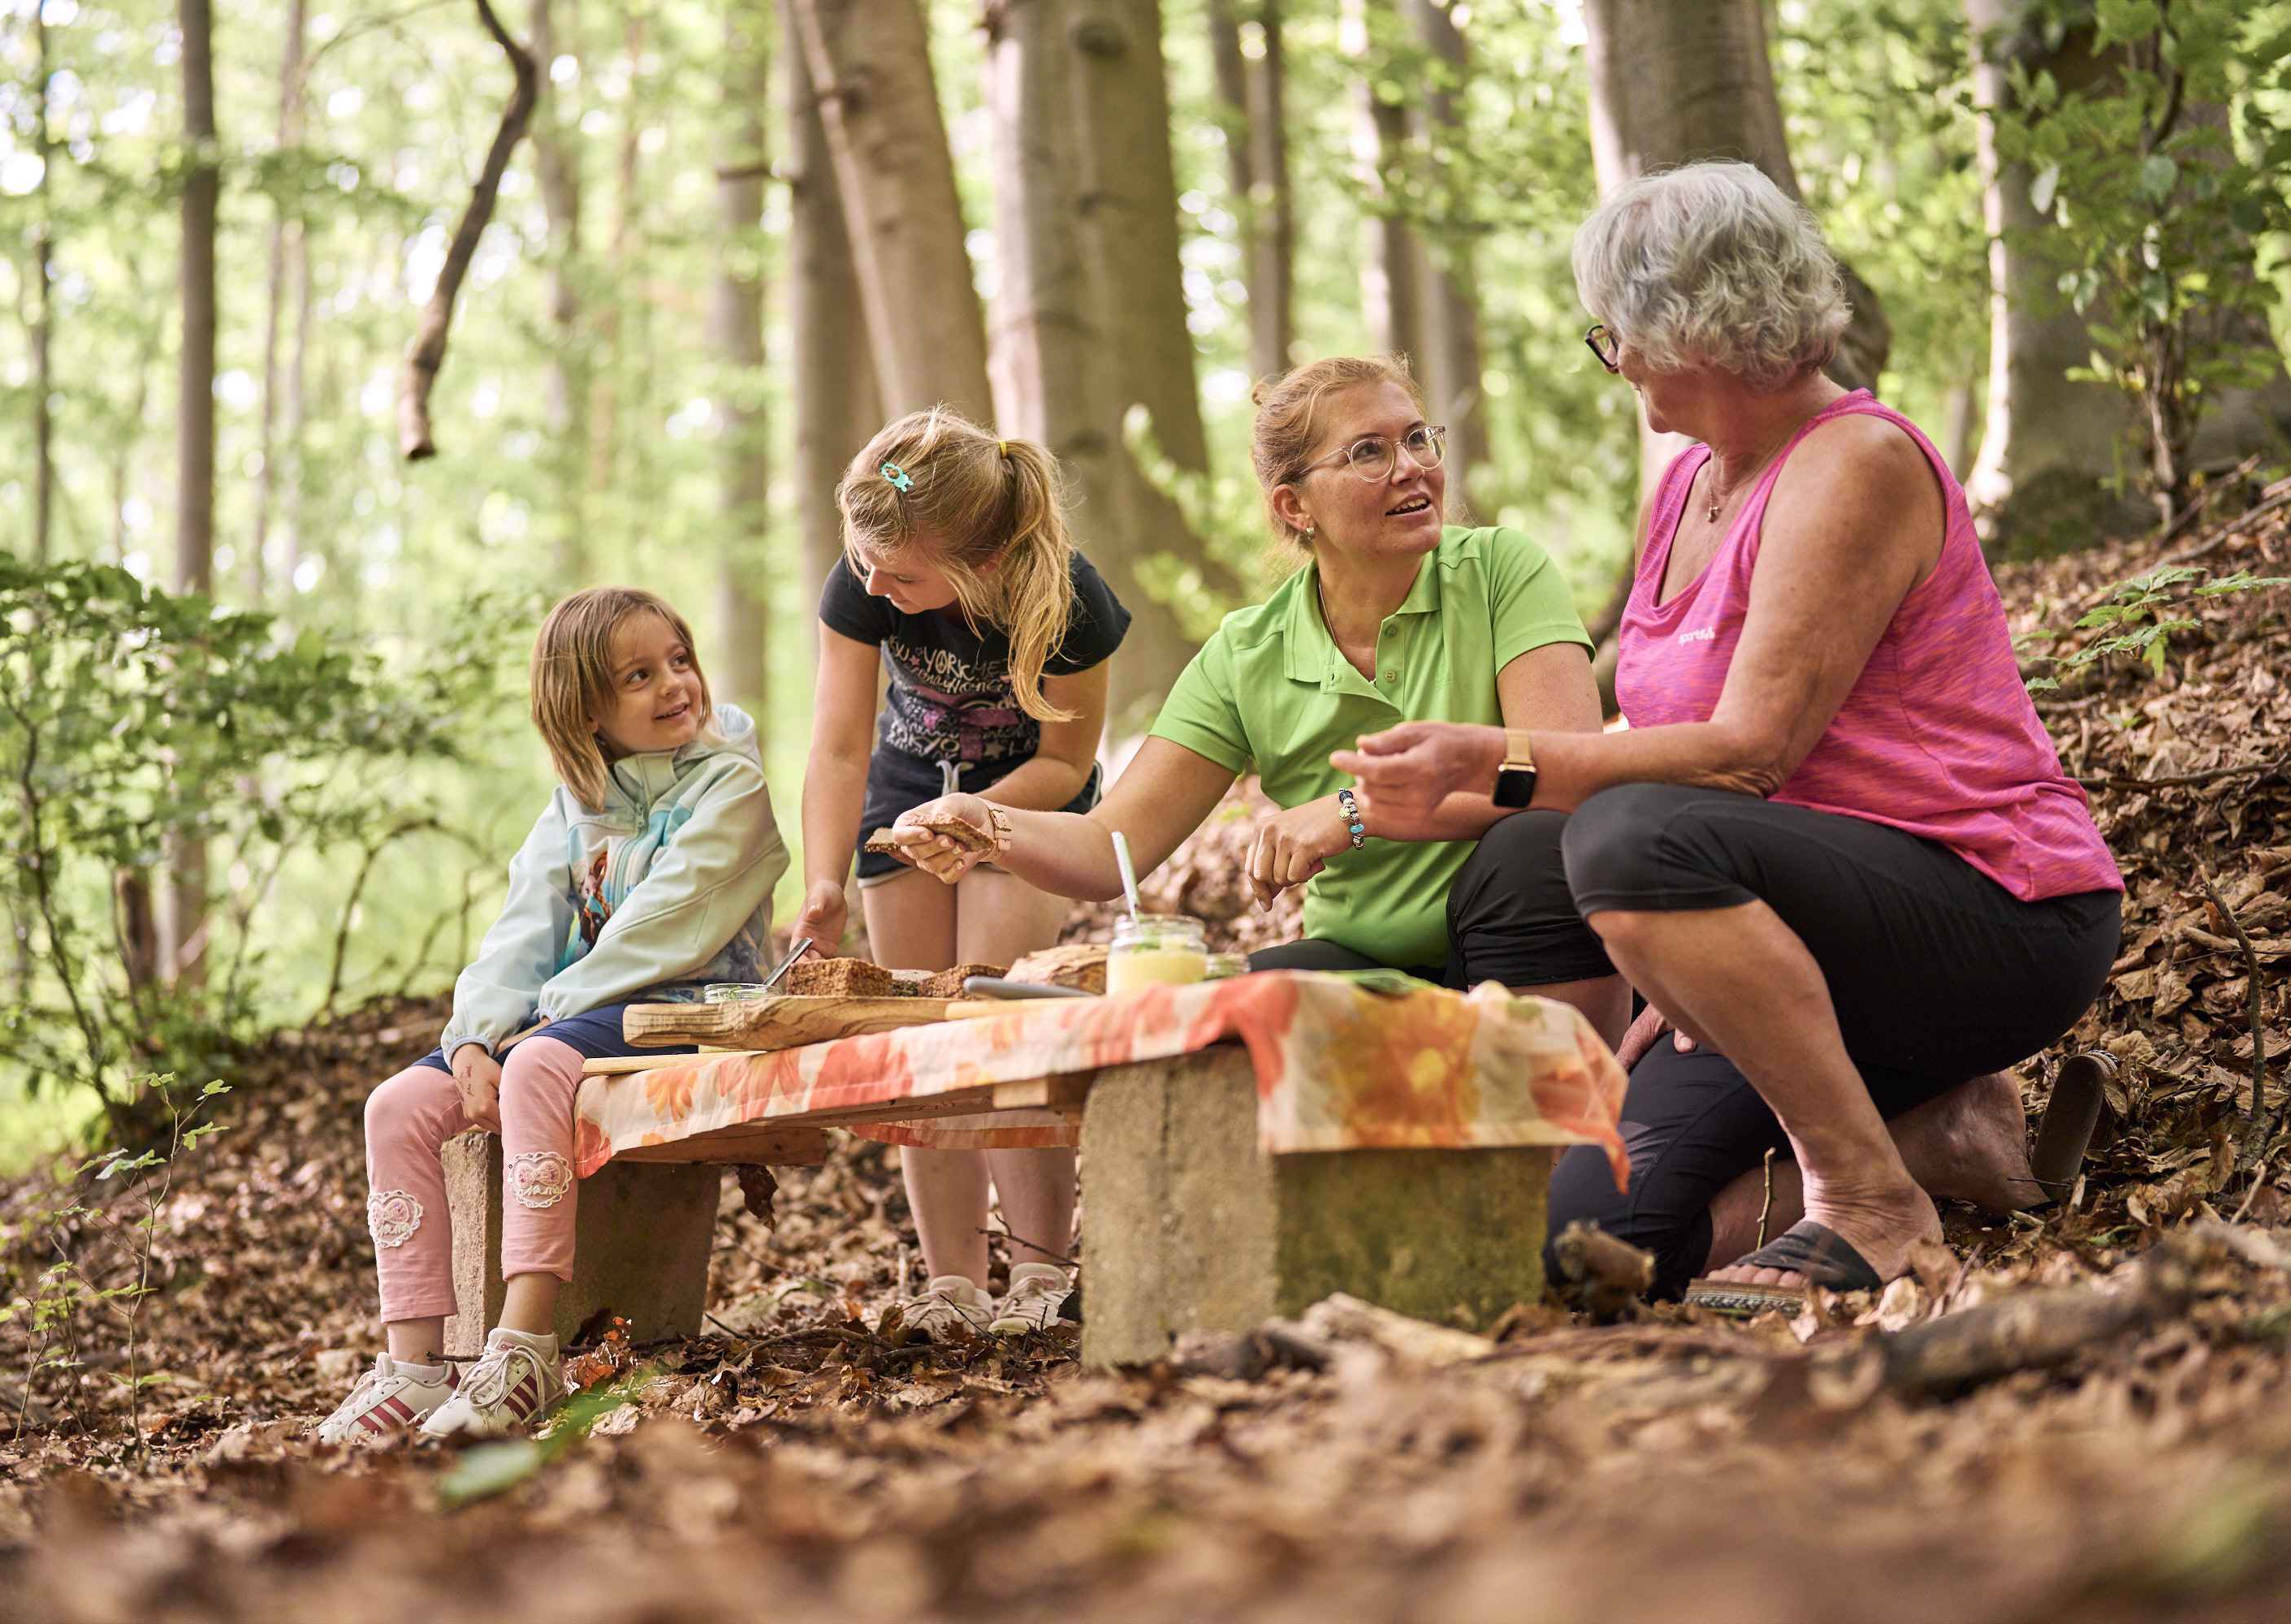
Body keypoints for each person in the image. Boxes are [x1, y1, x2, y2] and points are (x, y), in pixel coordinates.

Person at [1330, 161, 2124, 1309]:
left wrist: (1500, 761)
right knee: (1584, 1251)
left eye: (1612, 335)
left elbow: (1748, 754)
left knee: (1613, 837)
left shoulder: (1856, 463)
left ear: (1681, 328)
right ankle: (1933, 1133)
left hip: (1988, 910)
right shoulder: (1689, 487)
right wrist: (1675, 970)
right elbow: (1659, 747)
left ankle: (1868, 1200)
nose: (1614, 361)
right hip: (1799, 920)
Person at [880, 356, 1628, 1047]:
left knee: (1532, 848)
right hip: (1366, 959)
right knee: (1226, 1018)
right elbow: (1116, 847)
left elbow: (1568, 771)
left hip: (1526, 931)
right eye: (1369, 452)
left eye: (1418, 440)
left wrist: (1356, 813)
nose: (1414, 469)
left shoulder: (1502, 570)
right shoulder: (1246, 653)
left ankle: (1575, 1128)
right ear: (1293, 506)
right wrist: (991, 824)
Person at [316, 588, 788, 1440]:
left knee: (535, 1064)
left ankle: (524, 1342)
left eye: (679, 660)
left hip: (688, 1002)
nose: (674, 684)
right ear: (586, 711)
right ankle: (415, 1364)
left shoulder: (730, 783)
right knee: (397, 1106)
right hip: (570, 1016)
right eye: (639, 675)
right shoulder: (574, 803)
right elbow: (521, 930)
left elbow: (670, 923)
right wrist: (473, 1037)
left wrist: (540, 1025)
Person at [789, 408, 1130, 1340]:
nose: (872, 584)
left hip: (1026, 804)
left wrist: (982, 821)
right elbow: (840, 739)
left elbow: (1065, 766)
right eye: (862, 562)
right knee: (920, 1036)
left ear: (980, 561)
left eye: (899, 575)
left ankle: (1039, 1267)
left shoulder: (1069, 602)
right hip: (901, 803)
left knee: (995, 1020)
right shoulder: (867, 575)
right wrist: (824, 880)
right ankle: (953, 1279)